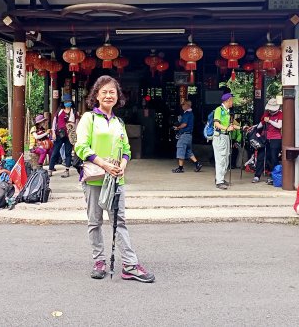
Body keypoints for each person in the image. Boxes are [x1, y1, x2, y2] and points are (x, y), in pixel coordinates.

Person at [75, 75, 155, 283]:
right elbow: (81, 147)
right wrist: (104, 164)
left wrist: (123, 165)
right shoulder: (89, 119)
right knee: (95, 221)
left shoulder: (119, 122)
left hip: (116, 180)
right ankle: (99, 261)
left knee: (119, 222)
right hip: (94, 178)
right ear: (96, 96)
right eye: (104, 92)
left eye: (112, 92)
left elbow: (126, 149)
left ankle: (129, 265)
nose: (109, 95)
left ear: (118, 96)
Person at [252, 98, 283, 184]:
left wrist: (269, 120)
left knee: (273, 158)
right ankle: (257, 175)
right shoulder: (266, 114)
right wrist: (253, 128)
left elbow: (279, 125)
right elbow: (260, 125)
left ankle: (274, 176)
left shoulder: (280, 114)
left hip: (276, 138)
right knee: (261, 156)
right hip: (264, 137)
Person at [213, 93, 238, 190]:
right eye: (232, 100)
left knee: (226, 159)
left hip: (226, 136)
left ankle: (221, 178)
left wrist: (241, 128)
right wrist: (226, 128)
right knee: (221, 159)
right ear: (227, 100)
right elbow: (216, 124)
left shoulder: (227, 111)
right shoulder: (219, 110)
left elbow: (231, 125)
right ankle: (219, 181)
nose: (233, 102)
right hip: (220, 136)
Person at [49, 94, 78, 179]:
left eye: (68, 101)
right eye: (66, 102)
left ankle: (67, 170)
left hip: (69, 135)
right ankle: (50, 169)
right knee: (55, 152)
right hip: (59, 134)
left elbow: (77, 123)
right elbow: (54, 122)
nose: (67, 103)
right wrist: (53, 132)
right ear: (63, 103)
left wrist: (75, 133)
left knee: (68, 153)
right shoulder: (59, 111)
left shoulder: (74, 112)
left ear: (71, 102)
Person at [172, 100, 202, 173]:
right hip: (189, 136)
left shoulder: (187, 114)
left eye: (183, 104)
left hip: (184, 135)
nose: (182, 106)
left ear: (187, 105)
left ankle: (180, 167)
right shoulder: (191, 114)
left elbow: (184, 124)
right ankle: (197, 163)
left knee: (180, 149)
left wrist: (178, 127)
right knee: (188, 151)